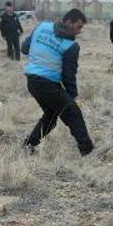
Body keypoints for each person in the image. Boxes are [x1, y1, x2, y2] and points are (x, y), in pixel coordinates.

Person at [21, 9, 94, 156]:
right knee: (73, 113)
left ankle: (29, 145)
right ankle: (88, 152)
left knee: (51, 116)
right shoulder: (71, 46)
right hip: (47, 84)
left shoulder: (42, 27)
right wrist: (72, 97)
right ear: (68, 22)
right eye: (78, 27)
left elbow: (24, 48)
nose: (79, 31)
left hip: (32, 82)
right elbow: (68, 75)